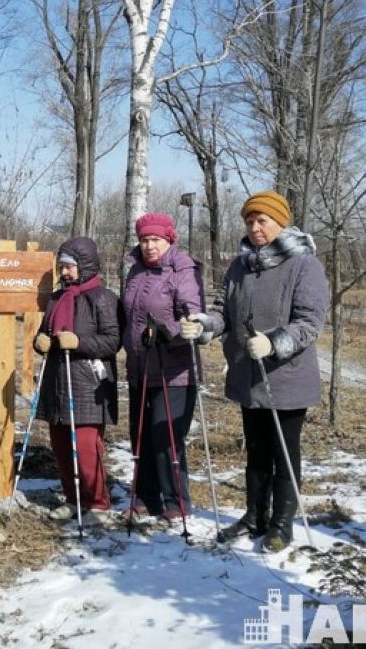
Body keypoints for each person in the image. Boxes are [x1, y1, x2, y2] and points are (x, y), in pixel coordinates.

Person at [181, 190, 329, 551]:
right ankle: (254, 516)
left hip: (286, 376)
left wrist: (275, 341)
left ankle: (282, 525)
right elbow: (223, 311)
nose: (255, 227)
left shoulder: (303, 264)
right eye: (250, 220)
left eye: (262, 220)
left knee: (283, 451)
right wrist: (204, 326)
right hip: (249, 374)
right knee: (256, 450)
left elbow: (310, 321)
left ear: (280, 222)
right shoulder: (240, 265)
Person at [32, 237, 123, 526]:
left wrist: (80, 342)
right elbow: (44, 330)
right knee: (60, 446)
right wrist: (41, 341)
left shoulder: (103, 298)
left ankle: (97, 502)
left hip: (88, 382)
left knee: (86, 447)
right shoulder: (58, 298)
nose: (65, 272)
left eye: (70, 266)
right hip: (57, 379)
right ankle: (72, 499)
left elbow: (112, 341)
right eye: (62, 266)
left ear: (85, 266)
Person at [121, 212, 205, 525]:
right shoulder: (135, 271)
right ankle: (144, 494)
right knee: (140, 433)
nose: (149, 246)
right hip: (140, 365)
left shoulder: (182, 269)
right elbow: (127, 313)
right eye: (144, 240)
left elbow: (193, 315)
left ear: (169, 239)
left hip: (174, 369)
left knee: (165, 435)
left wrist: (167, 330)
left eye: (155, 239)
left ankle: (175, 499)